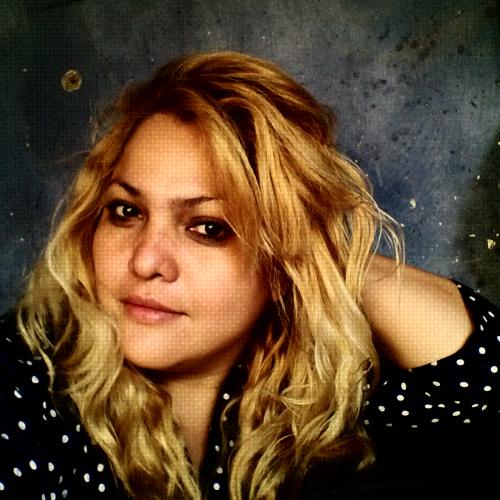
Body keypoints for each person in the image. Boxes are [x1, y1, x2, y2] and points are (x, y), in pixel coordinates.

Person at [0, 50, 498, 500]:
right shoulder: (22, 390)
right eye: (126, 211)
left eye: (208, 227)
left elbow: (482, 378)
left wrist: (320, 252)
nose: (146, 261)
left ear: (283, 257)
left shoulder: (294, 390)